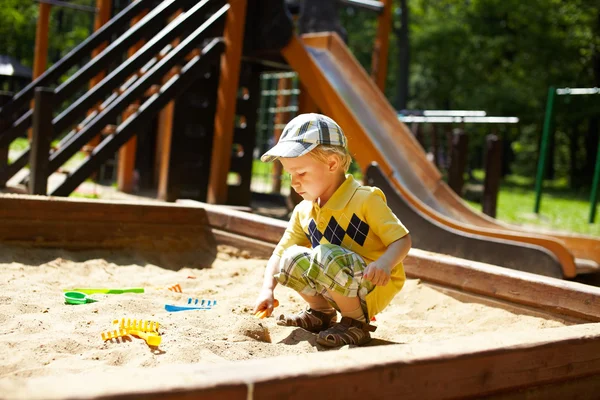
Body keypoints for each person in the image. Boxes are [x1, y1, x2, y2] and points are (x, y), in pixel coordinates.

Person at [253, 113, 412, 347]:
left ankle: (356, 322)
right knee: (291, 257)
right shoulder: (304, 210)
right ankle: (322, 314)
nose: (294, 182)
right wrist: (267, 289)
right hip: (334, 279)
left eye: (301, 173)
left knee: (325, 253)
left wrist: (385, 263)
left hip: (372, 281)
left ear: (331, 163)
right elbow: (279, 254)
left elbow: (402, 239)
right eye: (290, 174)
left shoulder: (365, 199)